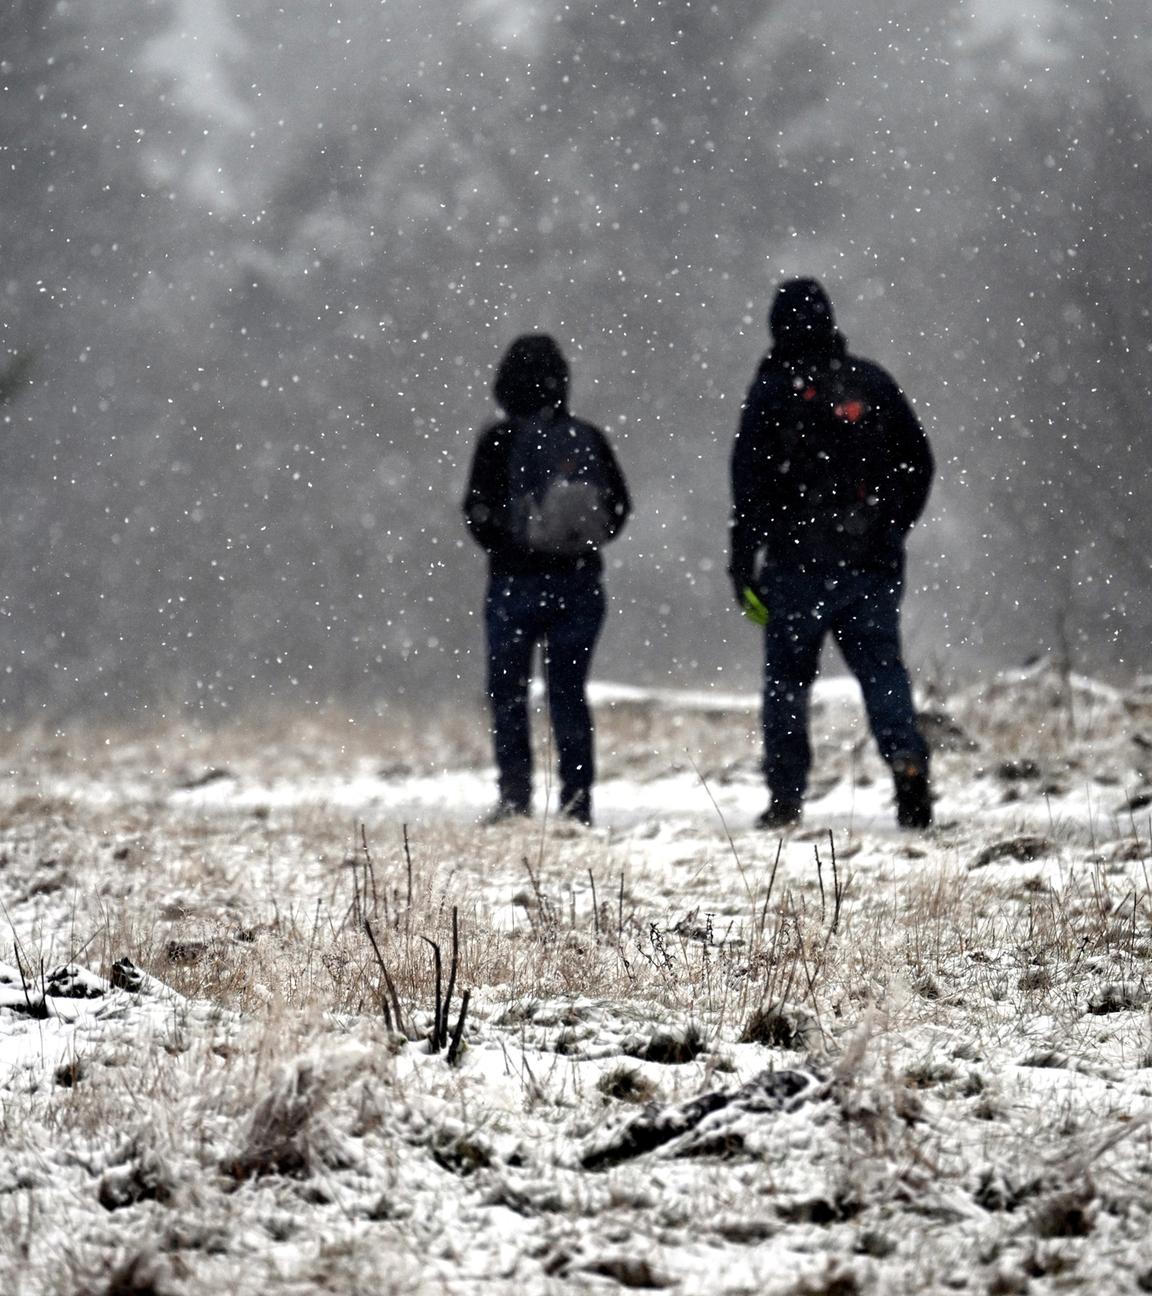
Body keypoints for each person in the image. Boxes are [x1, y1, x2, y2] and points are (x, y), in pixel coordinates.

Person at [729, 278, 935, 829]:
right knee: (882, 673)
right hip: (869, 563)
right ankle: (908, 763)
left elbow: (747, 485)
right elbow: (918, 462)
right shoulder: (870, 382)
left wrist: (742, 561)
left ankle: (787, 797)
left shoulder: (772, 390)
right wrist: (891, 529)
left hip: (794, 567)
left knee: (788, 685)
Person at [463, 334, 631, 826]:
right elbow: (620, 507)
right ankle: (578, 804)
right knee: (568, 695)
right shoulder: (589, 437)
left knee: (509, 693)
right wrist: (578, 544)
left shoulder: (497, 440)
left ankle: (515, 798)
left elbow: (477, 512)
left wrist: (512, 546)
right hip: (580, 587)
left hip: (514, 586)